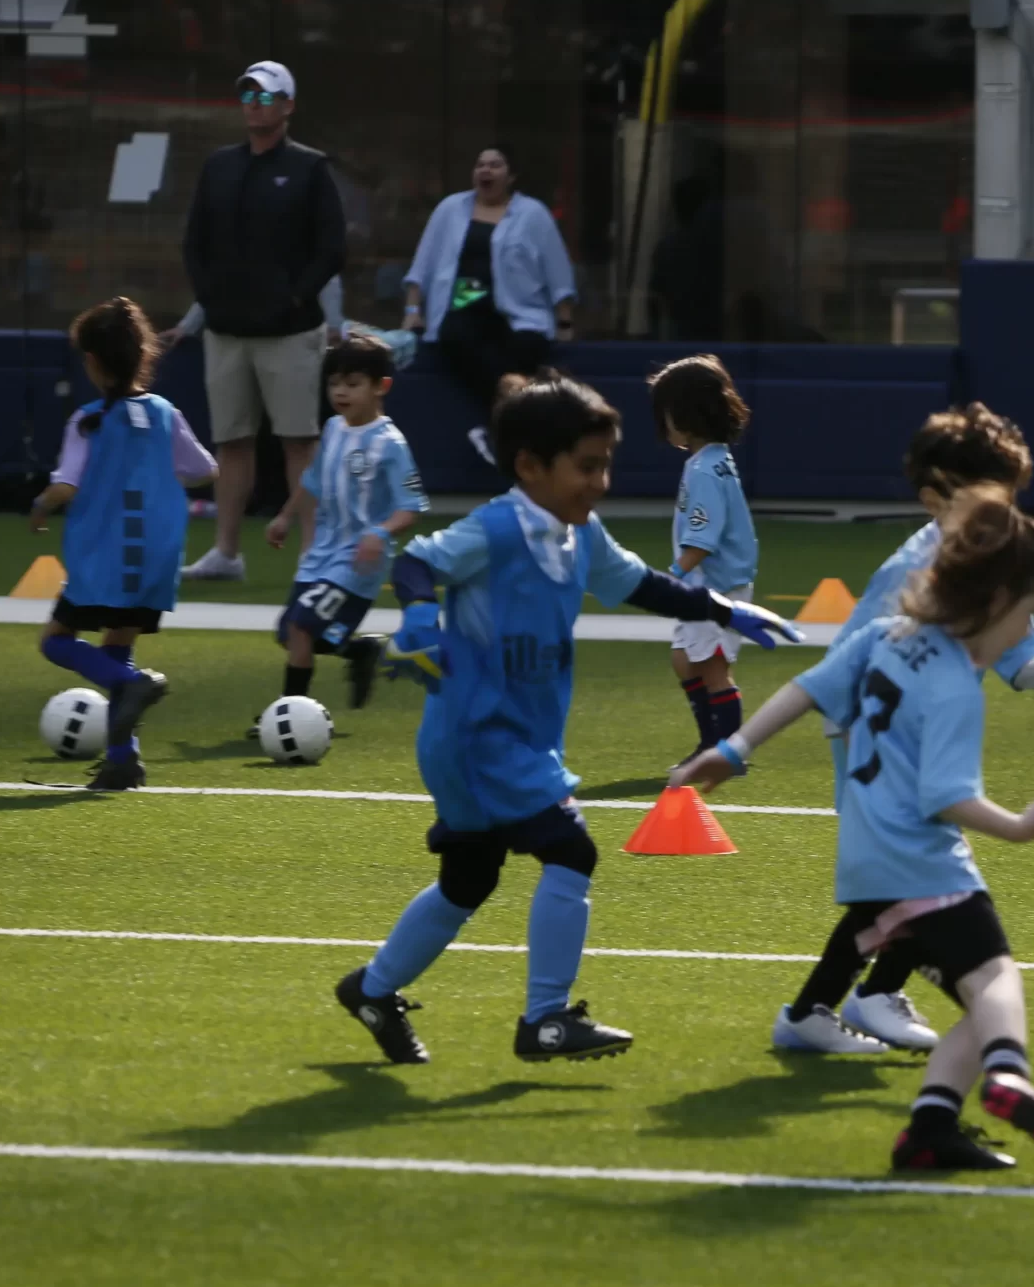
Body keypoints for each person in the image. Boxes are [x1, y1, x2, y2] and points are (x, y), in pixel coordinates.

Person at [333, 375, 801, 1067]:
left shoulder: (580, 534)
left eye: (605, 463)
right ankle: (545, 1019)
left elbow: (642, 584)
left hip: (514, 738)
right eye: (586, 465)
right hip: (477, 736)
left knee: (469, 881)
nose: (600, 480)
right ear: (530, 466)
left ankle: (372, 990)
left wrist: (726, 611)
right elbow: (419, 564)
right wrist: (422, 621)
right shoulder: (497, 527)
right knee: (571, 848)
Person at [667, 489, 1034, 1175]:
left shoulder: (880, 637)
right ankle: (1009, 1076)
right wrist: (1022, 826)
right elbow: (948, 795)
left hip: (867, 859)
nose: (1027, 630)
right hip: (921, 865)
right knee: (997, 986)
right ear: (990, 604)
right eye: (1025, 613)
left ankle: (929, 1129)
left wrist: (735, 748)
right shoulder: (956, 685)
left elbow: (805, 689)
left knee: (973, 998)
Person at [772, 403, 1034, 1058]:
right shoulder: (906, 574)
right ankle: (835, 1006)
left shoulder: (989, 557)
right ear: (935, 498)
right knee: (918, 884)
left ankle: (837, 1004)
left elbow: (1019, 658)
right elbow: (844, 672)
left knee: (904, 891)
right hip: (876, 749)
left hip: (924, 749)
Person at [26, 297, 219, 792]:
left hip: (104, 561)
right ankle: (122, 760)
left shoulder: (88, 420)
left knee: (56, 641)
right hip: (155, 561)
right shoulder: (164, 414)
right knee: (118, 647)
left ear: (91, 361)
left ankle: (128, 687)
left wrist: (42, 504)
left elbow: (66, 486)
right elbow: (204, 470)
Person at [174, 61, 347, 585]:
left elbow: (331, 248)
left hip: (290, 333)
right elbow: (195, 242)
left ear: (288, 106)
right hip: (227, 331)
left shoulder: (311, 168)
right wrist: (211, 297)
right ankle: (226, 552)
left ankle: (311, 556)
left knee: (299, 441)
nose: (256, 104)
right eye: (249, 94)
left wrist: (293, 299)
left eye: (268, 97)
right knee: (231, 442)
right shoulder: (219, 165)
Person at [262, 332, 429, 715]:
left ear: (381, 387)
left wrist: (380, 533)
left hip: (356, 562)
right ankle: (361, 649)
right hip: (321, 554)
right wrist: (286, 516)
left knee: (303, 628)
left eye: (353, 384)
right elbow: (314, 480)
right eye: (334, 382)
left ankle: (288, 713)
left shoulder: (391, 444)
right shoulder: (335, 429)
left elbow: (411, 506)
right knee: (291, 634)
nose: (340, 392)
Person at [402, 146, 577, 466]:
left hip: (519, 310)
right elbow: (423, 265)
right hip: (465, 301)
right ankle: (514, 425)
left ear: (510, 176)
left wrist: (564, 322)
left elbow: (558, 271)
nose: (486, 170)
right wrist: (413, 312)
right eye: (480, 164)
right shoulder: (450, 209)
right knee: (454, 337)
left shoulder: (533, 214)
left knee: (526, 346)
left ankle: (498, 429)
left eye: (495, 165)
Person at [646, 355, 758, 764]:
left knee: (711, 666)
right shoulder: (710, 460)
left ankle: (724, 751)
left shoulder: (706, 471)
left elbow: (702, 541)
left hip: (717, 585)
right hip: (711, 583)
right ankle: (712, 741)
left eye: (666, 413)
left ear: (686, 414)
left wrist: (669, 579)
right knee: (684, 660)